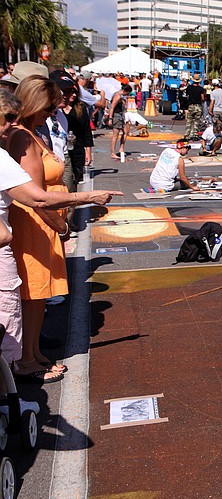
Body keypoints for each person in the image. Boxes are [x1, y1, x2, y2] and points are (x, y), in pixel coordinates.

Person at [0, 89, 119, 378]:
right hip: (35, 223)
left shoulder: (26, 135)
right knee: (19, 302)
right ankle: (21, 364)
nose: (54, 113)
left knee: (32, 297)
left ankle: (29, 355)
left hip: (40, 222)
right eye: (6, 118)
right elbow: (37, 198)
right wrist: (84, 202)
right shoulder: (20, 138)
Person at [106, 84, 132, 160]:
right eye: (128, 93)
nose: (127, 95)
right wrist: (110, 118)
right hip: (116, 116)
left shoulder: (121, 96)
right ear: (125, 91)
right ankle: (113, 153)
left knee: (125, 132)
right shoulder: (117, 96)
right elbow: (112, 107)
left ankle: (121, 148)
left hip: (120, 115)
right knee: (115, 135)